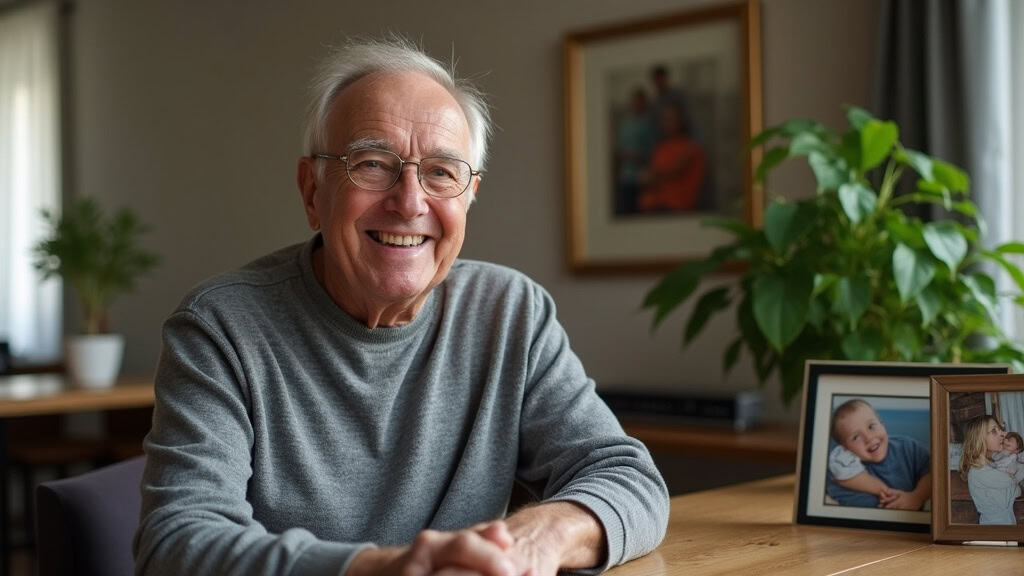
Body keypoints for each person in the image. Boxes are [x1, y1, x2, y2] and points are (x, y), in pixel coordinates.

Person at [133, 37, 669, 576]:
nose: (410, 201)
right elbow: (178, 542)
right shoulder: (220, 327)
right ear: (312, 191)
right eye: (371, 164)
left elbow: (628, 478)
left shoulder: (510, 313)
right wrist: (387, 568)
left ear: (469, 195)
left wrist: (533, 540)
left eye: (441, 172)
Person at [824, 399, 931, 510]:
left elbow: (933, 472)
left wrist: (917, 497)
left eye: (871, 426)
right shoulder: (844, 468)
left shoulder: (908, 447)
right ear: (845, 448)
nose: (869, 438)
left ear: (882, 423)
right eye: (856, 437)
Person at [636, 103, 707, 213]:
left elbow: (673, 171)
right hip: (654, 207)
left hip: (676, 209)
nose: (667, 123)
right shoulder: (661, 148)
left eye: (671, 119)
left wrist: (652, 175)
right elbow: (649, 178)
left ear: (681, 120)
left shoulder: (691, 148)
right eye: (664, 119)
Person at [960, 415, 1021, 525]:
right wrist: (1013, 480)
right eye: (994, 431)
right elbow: (1015, 488)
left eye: (1000, 429)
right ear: (980, 438)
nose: (1003, 434)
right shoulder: (978, 472)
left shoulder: (992, 465)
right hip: (994, 531)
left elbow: (1016, 492)